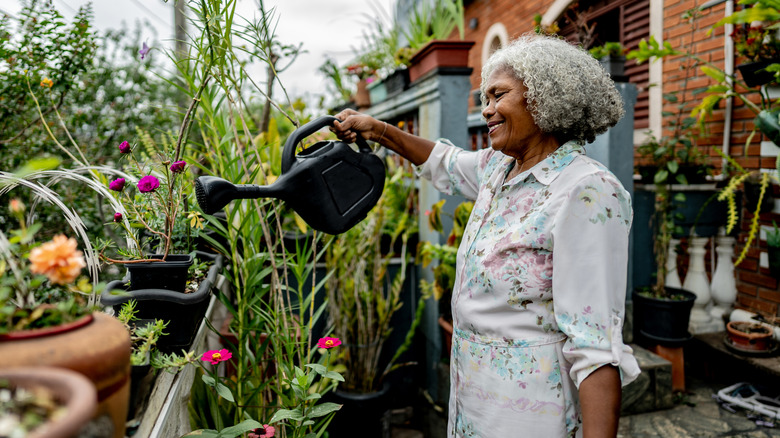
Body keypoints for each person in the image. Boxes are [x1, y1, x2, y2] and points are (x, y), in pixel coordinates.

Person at [332, 33, 640, 438]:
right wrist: (379, 131)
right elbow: (445, 161)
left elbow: (594, 345)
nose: (488, 110)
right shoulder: (499, 170)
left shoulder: (585, 190)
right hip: (473, 403)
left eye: (498, 95)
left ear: (546, 97)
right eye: (485, 99)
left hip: (529, 415)